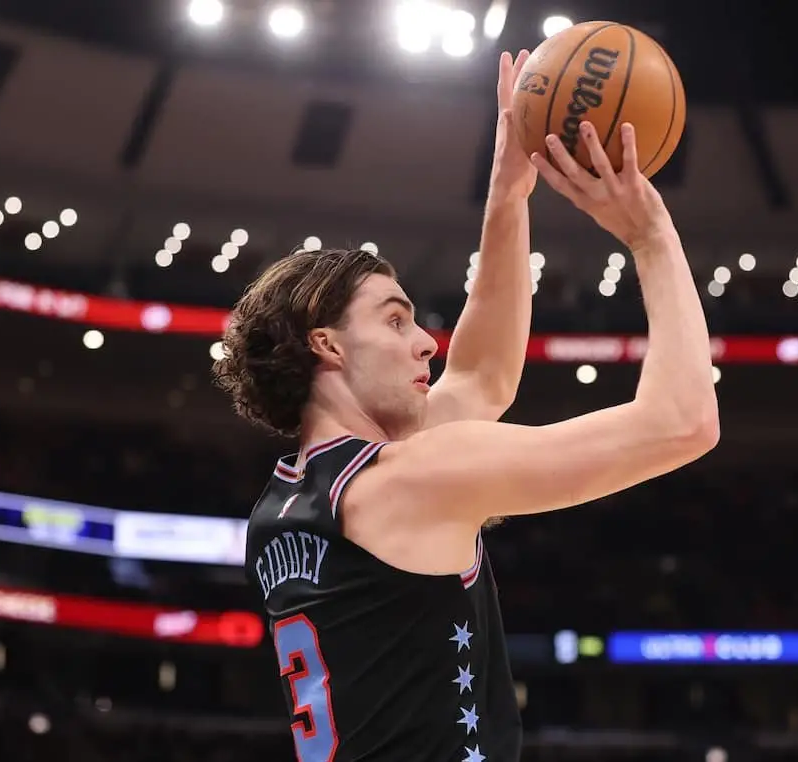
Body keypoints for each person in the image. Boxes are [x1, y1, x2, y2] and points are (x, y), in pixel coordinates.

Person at [216, 49, 719, 762]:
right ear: (326, 345)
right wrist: (651, 237)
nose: (427, 342)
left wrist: (508, 193)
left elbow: (482, 375)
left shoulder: (292, 498)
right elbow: (683, 423)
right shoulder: (408, 479)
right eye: (395, 321)